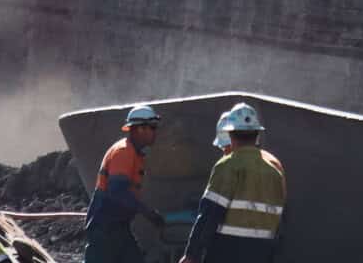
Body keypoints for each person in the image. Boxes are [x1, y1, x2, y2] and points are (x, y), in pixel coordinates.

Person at [180, 103, 286, 263]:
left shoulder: (227, 166)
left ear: (231, 135)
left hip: (227, 252)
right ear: (257, 135)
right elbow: (278, 222)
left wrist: (191, 255)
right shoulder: (274, 173)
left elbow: (209, 215)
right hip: (262, 253)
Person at [85, 104, 168, 263]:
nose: (155, 132)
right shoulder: (123, 152)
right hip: (105, 230)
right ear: (139, 129)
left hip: (118, 228)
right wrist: (148, 213)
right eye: (152, 127)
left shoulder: (134, 154)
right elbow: (117, 191)